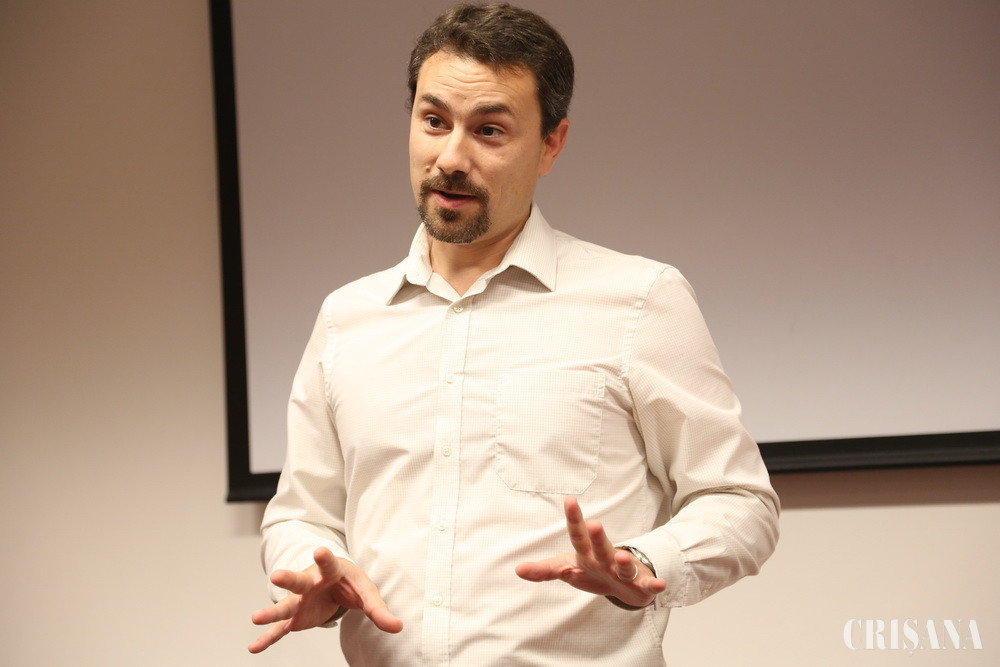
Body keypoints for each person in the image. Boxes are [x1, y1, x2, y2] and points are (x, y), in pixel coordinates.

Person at [249, 3, 779, 664]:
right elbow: (301, 512)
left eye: (489, 130)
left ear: (551, 143)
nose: (451, 157)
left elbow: (740, 502)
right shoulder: (346, 318)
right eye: (434, 121)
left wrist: (646, 564)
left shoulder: (641, 301)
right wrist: (314, 569)